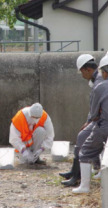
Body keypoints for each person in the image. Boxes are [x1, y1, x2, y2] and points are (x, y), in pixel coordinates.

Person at [60, 54, 103, 187]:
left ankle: (77, 177)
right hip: (99, 119)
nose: (82, 75)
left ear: (88, 69)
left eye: (82, 72)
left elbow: (95, 106)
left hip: (101, 121)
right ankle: (75, 171)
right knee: (82, 137)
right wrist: (88, 120)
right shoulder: (99, 78)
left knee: (83, 138)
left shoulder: (99, 81)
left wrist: (90, 121)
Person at [72, 53, 108, 193]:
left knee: (86, 151)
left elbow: (94, 113)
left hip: (103, 124)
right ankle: (96, 172)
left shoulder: (100, 86)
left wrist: (90, 121)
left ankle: (84, 186)